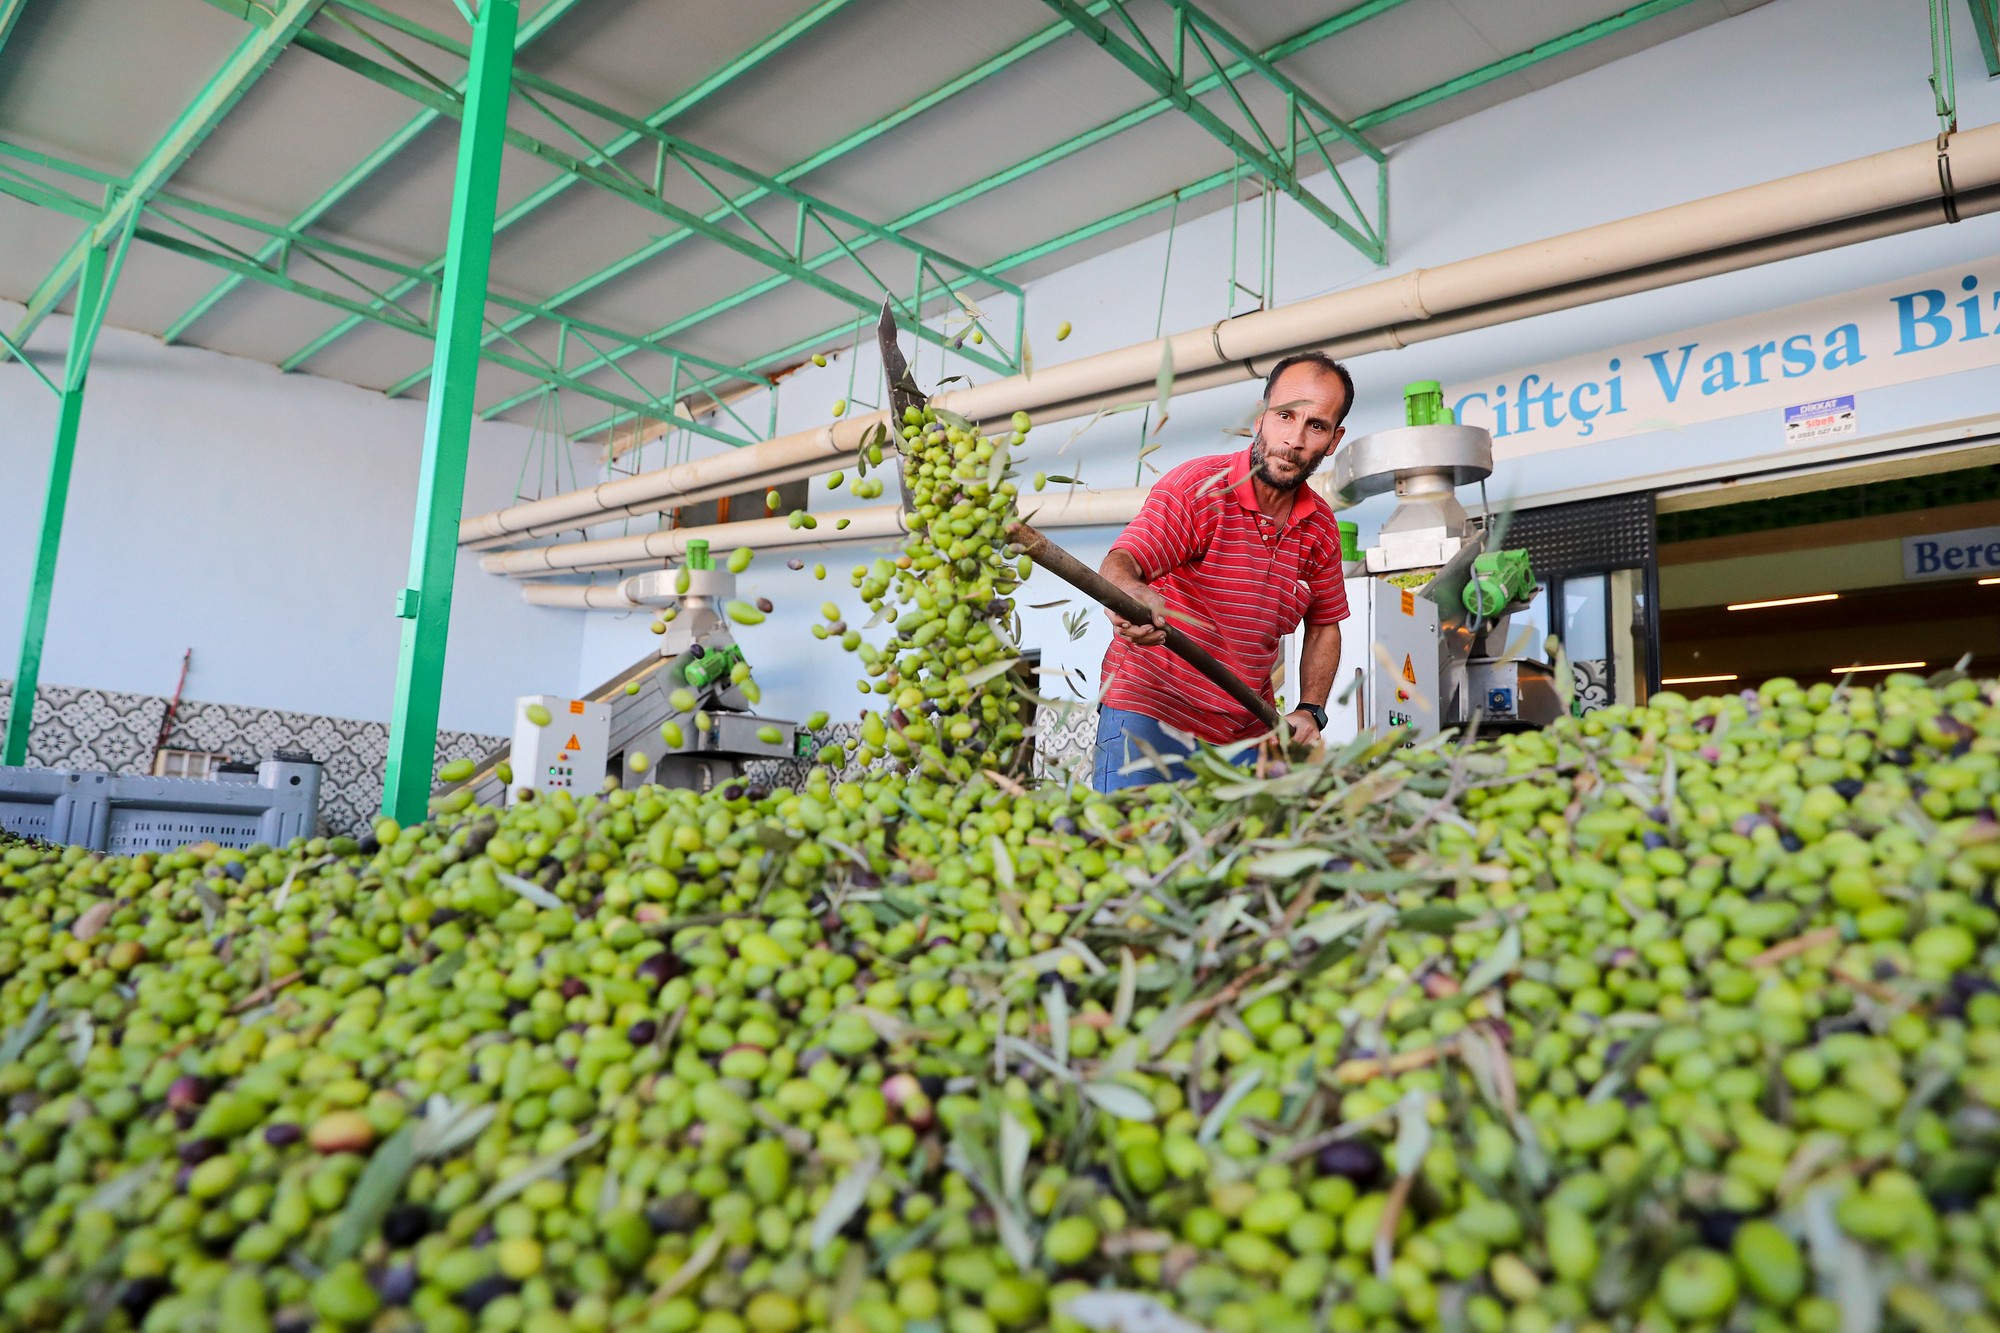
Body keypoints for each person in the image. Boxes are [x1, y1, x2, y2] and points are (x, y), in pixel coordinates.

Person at [1092, 351, 1353, 791]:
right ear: (1260, 417)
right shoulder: (1199, 488)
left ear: (1334, 439)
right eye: (1285, 416)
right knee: (1130, 855)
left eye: (1316, 426)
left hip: (1245, 740)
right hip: (1150, 717)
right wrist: (1129, 593)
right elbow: (1122, 564)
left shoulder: (1321, 527)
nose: (1294, 440)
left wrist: (1312, 708)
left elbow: (1325, 623)